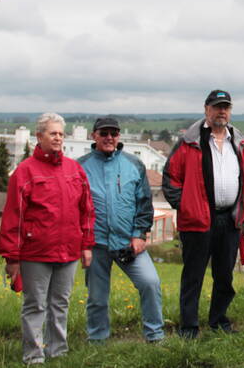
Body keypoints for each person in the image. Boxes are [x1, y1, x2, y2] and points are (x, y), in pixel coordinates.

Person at [0, 113, 95, 364]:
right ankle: (33, 355)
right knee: (35, 306)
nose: (58, 138)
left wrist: (86, 245)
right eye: (53, 133)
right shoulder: (24, 171)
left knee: (60, 304)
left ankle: (58, 351)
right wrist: (12, 257)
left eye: (61, 134)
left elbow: (87, 210)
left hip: (69, 251)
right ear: (39, 136)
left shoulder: (75, 170)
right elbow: (13, 217)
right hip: (36, 253)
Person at [162, 89, 244, 339]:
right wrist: (186, 206)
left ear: (230, 111)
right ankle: (189, 327)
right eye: (216, 107)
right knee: (193, 275)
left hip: (230, 218)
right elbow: (171, 177)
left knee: (224, 275)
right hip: (198, 219)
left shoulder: (238, 141)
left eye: (225, 107)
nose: (221, 111)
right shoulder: (190, 141)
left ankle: (218, 320)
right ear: (206, 109)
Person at [77, 117, 164, 343]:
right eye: (104, 133)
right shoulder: (80, 166)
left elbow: (144, 203)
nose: (109, 138)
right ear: (93, 135)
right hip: (96, 243)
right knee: (97, 298)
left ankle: (155, 336)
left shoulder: (133, 164)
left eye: (113, 134)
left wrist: (139, 234)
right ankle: (97, 341)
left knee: (150, 283)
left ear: (119, 136)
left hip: (128, 243)